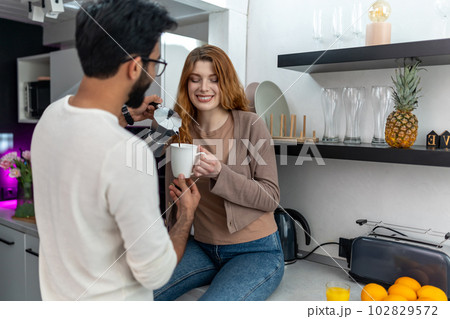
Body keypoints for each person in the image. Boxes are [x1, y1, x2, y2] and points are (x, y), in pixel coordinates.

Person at [31, 0, 200, 301]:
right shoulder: (127, 155)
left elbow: (88, 135)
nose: (154, 74)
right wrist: (185, 215)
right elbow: (155, 273)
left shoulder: (49, 119)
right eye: (155, 65)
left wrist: (129, 115)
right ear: (135, 67)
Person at [154, 45, 284, 301]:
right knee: (135, 293)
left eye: (213, 79)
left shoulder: (251, 124)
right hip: (200, 247)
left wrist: (219, 172)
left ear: (225, 82)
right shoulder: (179, 130)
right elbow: (173, 207)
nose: (204, 87)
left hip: (255, 251)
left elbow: (271, 197)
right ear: (186, 84)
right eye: (195, 79)